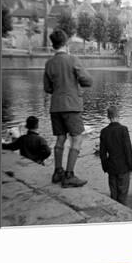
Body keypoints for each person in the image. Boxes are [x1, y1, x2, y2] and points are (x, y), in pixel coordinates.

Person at [44, 29, 93, 187]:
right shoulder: (72, 60)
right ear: (66, 44)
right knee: (77, 139)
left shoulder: (49, 63)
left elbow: (47, 88)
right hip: (71, 106)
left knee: (60, 138)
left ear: (53, 45)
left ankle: (57, 172)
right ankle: (69, 175)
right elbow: (87, 80)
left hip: (55, 106)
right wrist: (76, 84)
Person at [99, 106, 132, 204]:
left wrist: (105, 167)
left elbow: (102, 153)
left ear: (108, 117)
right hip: (123, 167)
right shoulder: (123, 129)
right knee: (123, 193)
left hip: (111, 167)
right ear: (118, 115)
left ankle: (114, 212)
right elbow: (128, 150)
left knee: (113, 193)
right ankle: (122, 213)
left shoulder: (104, 131)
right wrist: (131, 167)